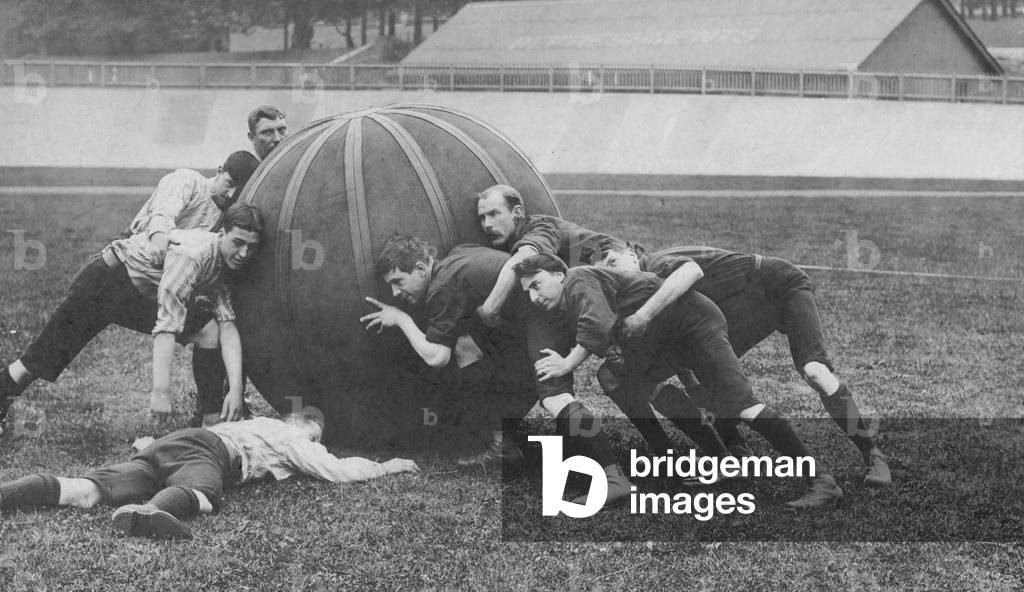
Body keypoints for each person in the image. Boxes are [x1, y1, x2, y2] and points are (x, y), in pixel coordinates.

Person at [513, 253, 843, 510]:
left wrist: (565, 364)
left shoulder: (578, 278)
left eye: (537, 284)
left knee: (743, 406)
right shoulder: (570, 294)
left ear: (558, 273)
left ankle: (821, 479)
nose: (534, 296)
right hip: (665, 336)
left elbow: (597, 326)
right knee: (613, 377)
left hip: (695, 324)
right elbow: (609, 329)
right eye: (527, 291)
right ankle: (712, 459)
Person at [596, 243, 891, 488]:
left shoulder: (657, 264)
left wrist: (643, 316)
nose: (610, 271)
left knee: (815, 371)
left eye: (612, 260)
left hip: (779, 286)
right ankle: (734, 453)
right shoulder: (638, 290)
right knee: (708, 377)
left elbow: (691, 271)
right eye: (603, 269)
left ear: (632, 253)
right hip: (739, 311)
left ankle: (871, 453)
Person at [0, 203, 265, 436]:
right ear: (222, 234)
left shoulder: (224, 261)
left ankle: (211, 423)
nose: (243, 253)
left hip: (135, 292)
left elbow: (228, 324)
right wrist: (160, 392)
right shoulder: (192, 257)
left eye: (251, 247)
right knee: (41, 357)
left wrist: (235, 389)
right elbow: (166, 326)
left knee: (210, 330)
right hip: (104, 281)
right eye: (238, 243)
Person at [0, 412, 420, 540]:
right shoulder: (293, 435)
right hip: (211, 451)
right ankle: (148, 514)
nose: (316, 443)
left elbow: (173, 445)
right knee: (204, 494)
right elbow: (334, 469)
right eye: (317, 436)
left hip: (169, 446)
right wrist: (385, 466)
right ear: (305, 426)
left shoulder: (251, 420)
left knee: (89, 491)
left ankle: (11, 492)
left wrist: (148, 444)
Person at [359, 236, 536, 470]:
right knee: (464, 344)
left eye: (398, 281)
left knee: (458, 350)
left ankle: (500, 444)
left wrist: (401, 319)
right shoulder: (458, 253)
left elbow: (437, 358)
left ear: (421, 269)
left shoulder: (441, 288)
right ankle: (495, 436)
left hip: (539, 342)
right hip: (534, 324)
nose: (395, 293)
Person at [125, 151, 260, 255]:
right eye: (229, 184)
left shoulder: (230, 213)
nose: (231, 194)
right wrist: (158, 237)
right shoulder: (189, 180)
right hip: (134, 248)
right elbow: (162, 213)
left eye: (239, 190)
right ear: (219, 171)